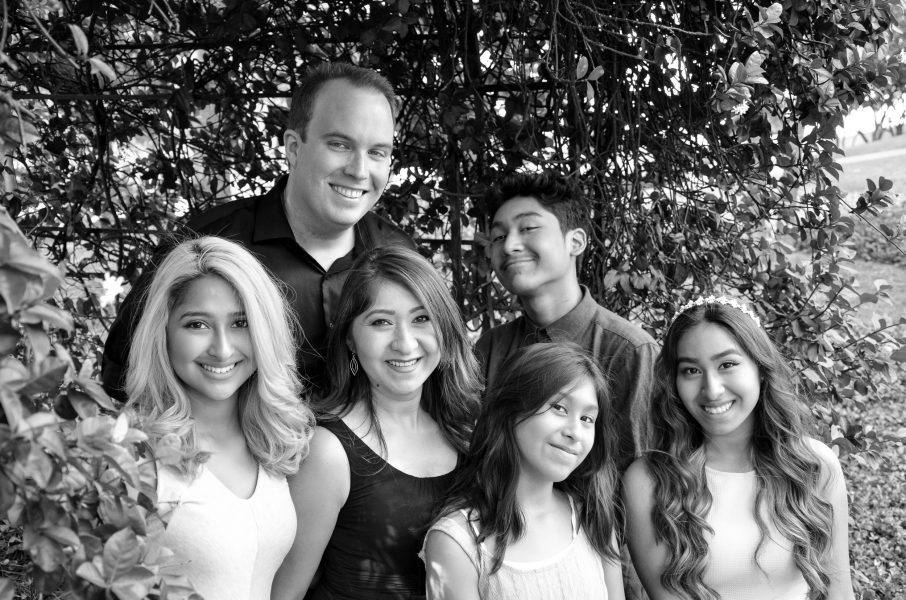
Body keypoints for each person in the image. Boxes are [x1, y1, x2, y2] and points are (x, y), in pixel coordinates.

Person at [104, 61, 415, 399]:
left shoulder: (398, 254)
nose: (359, 170)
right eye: (340, 144)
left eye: (377, 152)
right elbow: (126, 372)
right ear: (294, 148)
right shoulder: (208, 244)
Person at [272, 246, 482, 600]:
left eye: (421, 318)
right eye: (381, 322)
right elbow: (286, 593)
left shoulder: (465, 433)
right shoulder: (328, 452)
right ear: (351, 339)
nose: (405, 343)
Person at [622, 296, 855, 600]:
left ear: (760, 368)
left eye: (727, 364)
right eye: (691, 370)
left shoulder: (814, 465)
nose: (712, 389)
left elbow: (840, 592)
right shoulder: (648, 482)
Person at [125, 236, 315, 600]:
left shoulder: (275, 443)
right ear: (162, 332)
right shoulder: (135, 456)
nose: (223, 349)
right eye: (197, 324)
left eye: (241, 322)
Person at [475, 171, 657, 474]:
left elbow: (639, 477)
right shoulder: (490, 348)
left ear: (576, 242)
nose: (509, 246)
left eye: (528, 228)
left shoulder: (629, 351)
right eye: (499, 236)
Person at [422, 342, 625, 600]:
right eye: (559, 408)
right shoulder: (456, 542)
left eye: (587, 419)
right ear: (510, 412)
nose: (575, 432)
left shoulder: (593, 519)